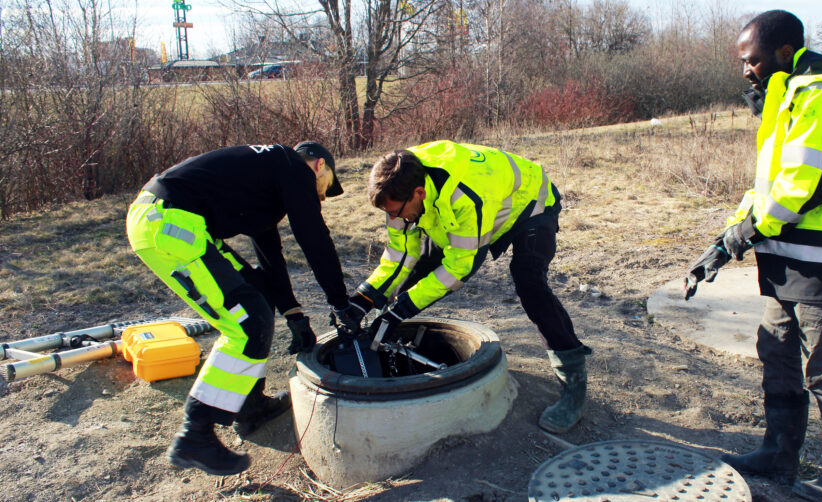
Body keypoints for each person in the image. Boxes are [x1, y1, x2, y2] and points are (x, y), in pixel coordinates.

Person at [683, 10, 822, 502]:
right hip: (789, 261)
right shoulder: (785, 99)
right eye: (741, 63)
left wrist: (750, 233)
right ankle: (779, 452)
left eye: (751, 61)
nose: (745, 71)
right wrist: (725, 239)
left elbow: (806, 185)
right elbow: (767, 186)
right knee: (775, 350)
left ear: (783, 52)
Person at [125, 142, 362, 476]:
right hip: (167, 222)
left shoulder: (265, 179)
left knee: (258, 298)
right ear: (319, 166)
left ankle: (250, 407)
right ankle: (196, 433)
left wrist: (293, 313)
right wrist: (340, 302)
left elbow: (270, 257)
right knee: (248, 321)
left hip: (174, 222)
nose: (321, 196)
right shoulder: (293, 167)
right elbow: (313, 237)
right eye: (325, 187)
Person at [346, 141, 590, 434]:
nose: (395, 219)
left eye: (398, 213)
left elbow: (461, 266)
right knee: (418, 271)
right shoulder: (396, 186)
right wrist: (363, 298)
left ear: (419, 193)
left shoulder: (463, 195)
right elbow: (400, 255)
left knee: (529, 283)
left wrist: (402, 308)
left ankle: (573, 383)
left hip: (530, 204)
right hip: (475, 207)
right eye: (390, 214)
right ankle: (384, 340)